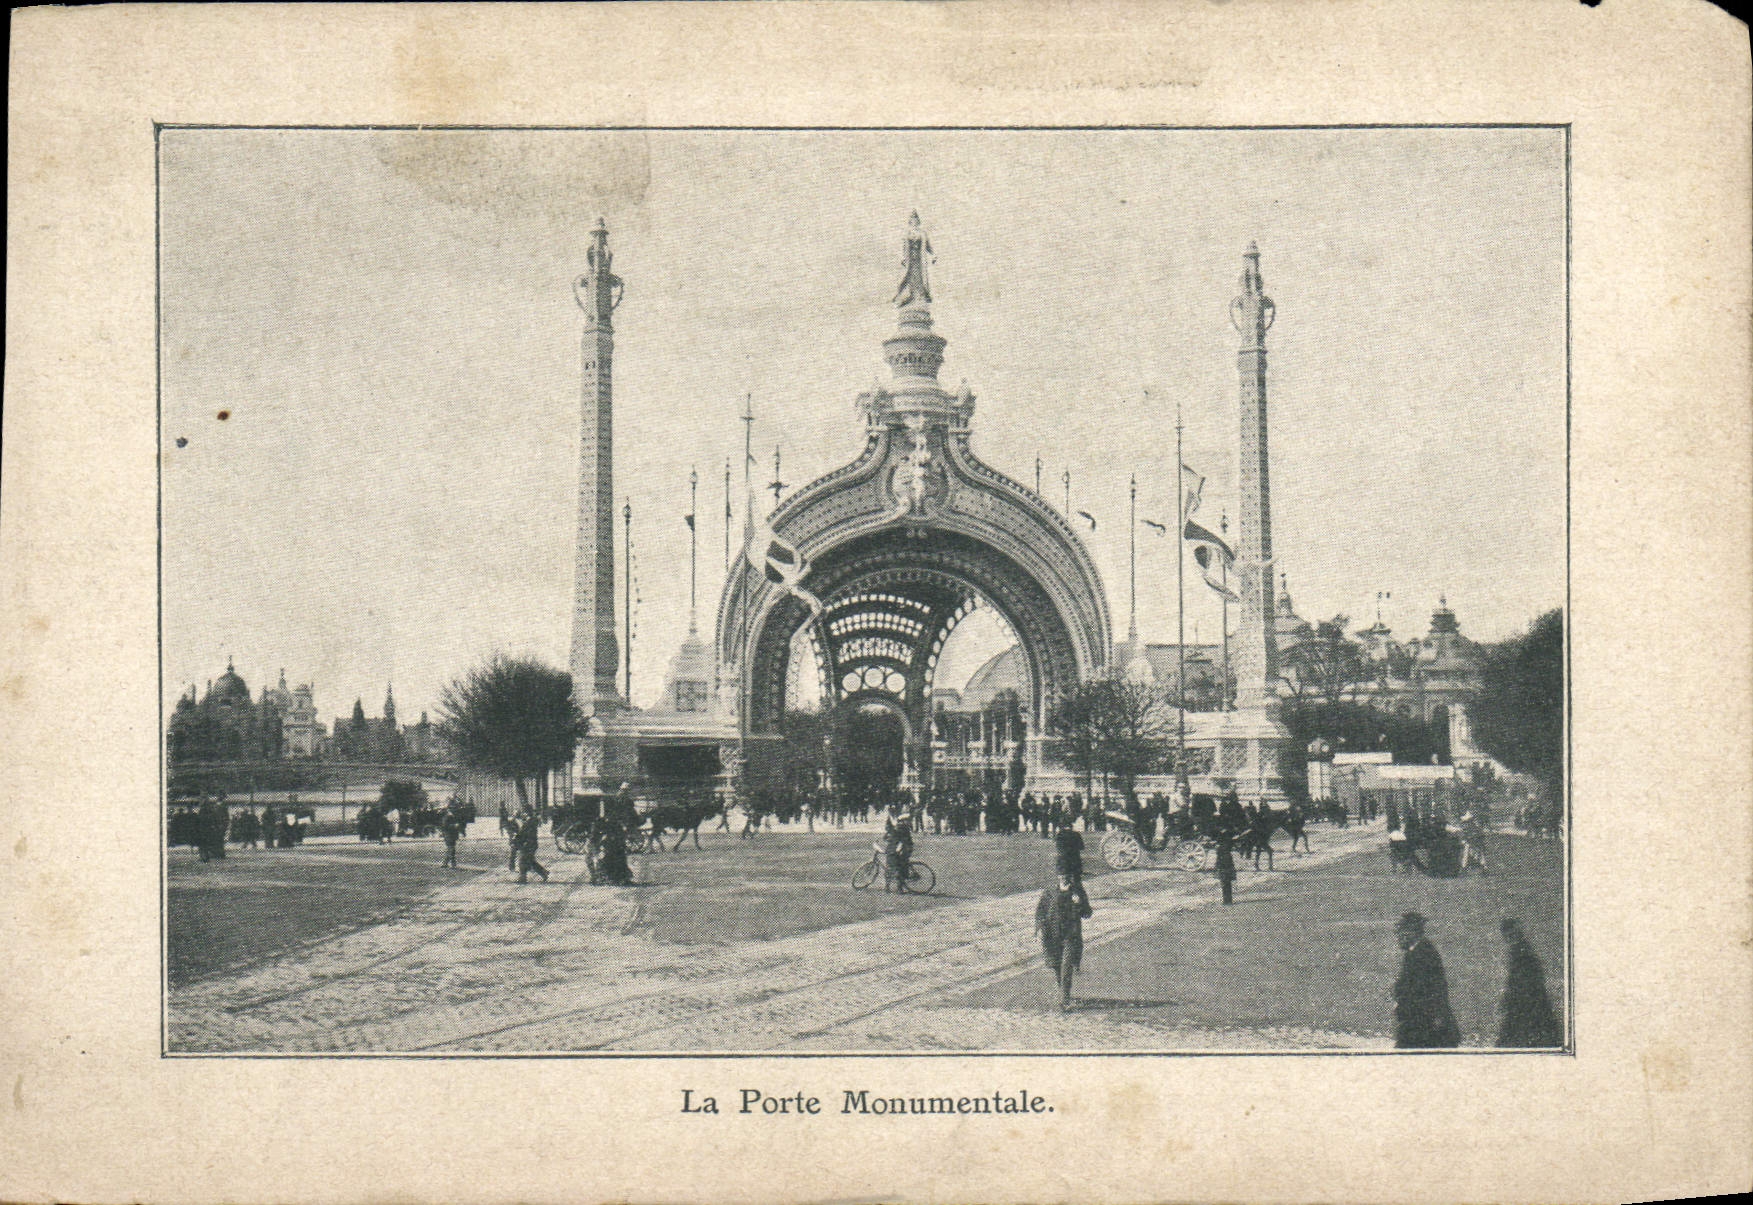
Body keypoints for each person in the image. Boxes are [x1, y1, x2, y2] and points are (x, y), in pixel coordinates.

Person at [1392, 912, 1461, 1048]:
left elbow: (1435, 989)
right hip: (1418, 1023)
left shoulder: (1424, 953)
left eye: (1401, 932)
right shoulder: (1415, 953)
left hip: (1424, 1025)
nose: (1398, 938)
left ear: (1412, 932)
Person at [1496, 918, 1561, 1047]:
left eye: (1512, 935)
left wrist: (1509, 997)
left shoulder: (1523, 952)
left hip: (1528, 1001)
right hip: (1524, 1001)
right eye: (1507, 936)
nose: (1510, 939)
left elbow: (1523, 979)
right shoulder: (1519, 951)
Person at [1035, 870, 1093, 1011]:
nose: (1064, 877)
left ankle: (1065, 999)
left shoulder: (1077, 891)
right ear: (1058, 875)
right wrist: (1039, 928)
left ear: (1071, 876)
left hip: (1070, 935)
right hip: (1052, 935)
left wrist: (1079, 903)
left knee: (1067, 966)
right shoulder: (1050, 892)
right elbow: (1040, 911)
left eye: (1067, 874)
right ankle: (1063, 992)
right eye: (1061, 874)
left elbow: (1087, 913)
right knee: (1056, 965)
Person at [513, 808, 548, 884]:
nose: (523, 814)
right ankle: (543, 872)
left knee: (522, 860)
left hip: (528, 845)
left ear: (527, 813)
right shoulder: (531, 821)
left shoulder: (528, 823)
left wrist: (516, 839)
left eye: (524, 813)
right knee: (530, 861)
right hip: (532, 844)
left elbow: (523, 833)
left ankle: (523, 878)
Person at [439, 803, 464, 869]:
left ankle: (445, 863)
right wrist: (454, 826)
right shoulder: (447, 816)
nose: (454, 810)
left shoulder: (452, 816)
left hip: (452, 835)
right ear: (450, 809)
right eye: (453, 808)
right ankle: (453, 864)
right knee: (451, 849)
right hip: (448, 835)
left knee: (450, 849)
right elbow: (444, 826)